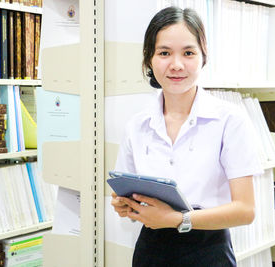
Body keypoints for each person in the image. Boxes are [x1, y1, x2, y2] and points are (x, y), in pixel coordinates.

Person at [111, 6, 263, 267]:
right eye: (164, 53)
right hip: (151, 251)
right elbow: (127, 195)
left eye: (188, 53)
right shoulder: (137, 126)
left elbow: (245, 210)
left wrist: (176, 219)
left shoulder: (229, 120)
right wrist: (125, 206)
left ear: (204, 57)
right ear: (149, 59)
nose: (176, 64)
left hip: (208, 251)